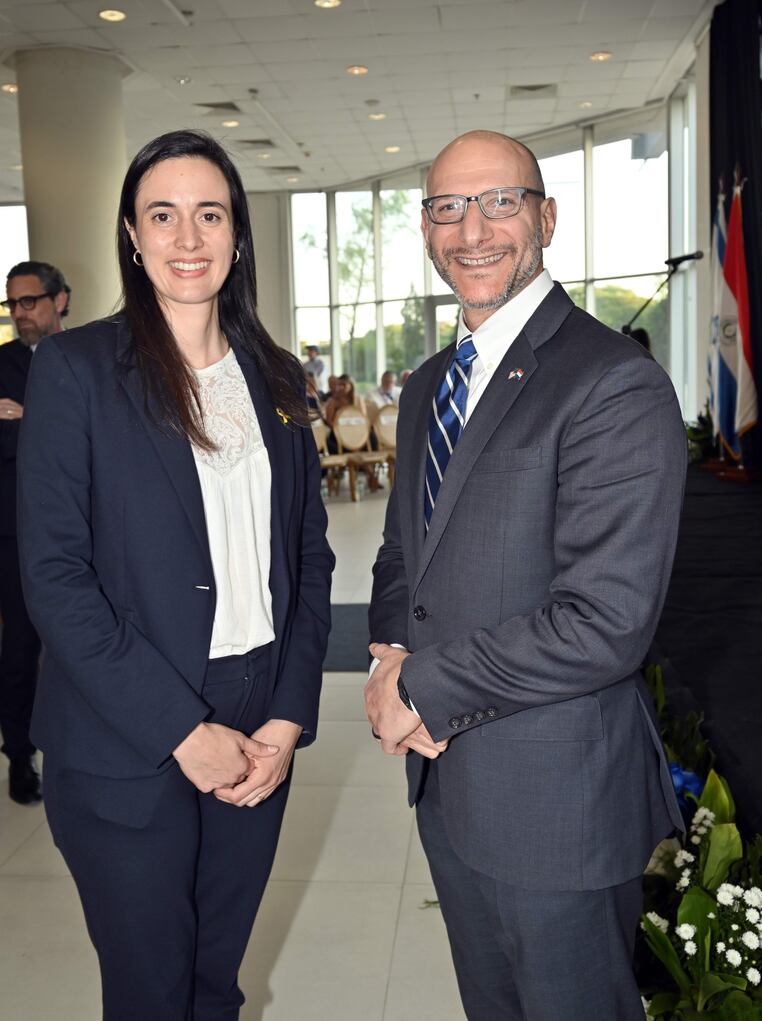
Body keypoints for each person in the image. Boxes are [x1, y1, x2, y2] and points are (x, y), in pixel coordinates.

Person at [366, 130, 686, 1021]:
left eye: (499, 201)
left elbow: (605, 621)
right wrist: (390, 644)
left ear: (546, 216)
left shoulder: (611, 382)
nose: (473, 230)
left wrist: (420, 685)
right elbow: (404, 552)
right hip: (450, 789)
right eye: (446, 208)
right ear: (426, 229)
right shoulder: (431, 382)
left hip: (557, 809)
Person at [17, 129, 334, 1019]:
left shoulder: (277, 376)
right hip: (128, 731)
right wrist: (180, 729)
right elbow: (54, 576)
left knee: (215, 981)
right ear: (130, 233)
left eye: (210, 214)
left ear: (237, 235)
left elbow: (309, 554)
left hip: (257, 714)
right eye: (164, 215)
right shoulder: (77, 371)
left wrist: (288, 711)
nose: (188, 238)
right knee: (153, 990)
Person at [0, 260, 71, 804]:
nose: (21, 313)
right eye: (13, 304)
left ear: (60, 300)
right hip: (15, 536)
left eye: (30, 301)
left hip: (86, 531)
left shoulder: (92, 357)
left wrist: (28, 421)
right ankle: (20, 757)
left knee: (83, 646)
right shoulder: (0, 363)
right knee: (21, 650)